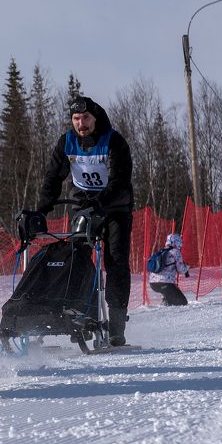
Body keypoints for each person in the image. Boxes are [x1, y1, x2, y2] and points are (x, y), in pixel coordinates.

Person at [37, 95, 134, 346]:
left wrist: (100, 201)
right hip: (82, 206)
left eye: (86, 118)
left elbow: (119, 180)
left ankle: (116, 326)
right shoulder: (67, 142)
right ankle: (80, 316)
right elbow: (53, 178)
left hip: (115, 208)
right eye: (76, 118)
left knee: (116, 261)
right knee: (76, 258)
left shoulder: (114, 141)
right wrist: (41, 210)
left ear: (95, 117)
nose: (81, 124)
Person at [149, 233, 190, 306]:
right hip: (165, 283)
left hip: (153, 284)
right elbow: (181, 270)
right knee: (183, 302)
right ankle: (167, 306)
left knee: (170, 298)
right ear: (177, 242)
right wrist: (187, 266)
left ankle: (165, 302)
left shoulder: (162, 251)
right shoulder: (175, 252)